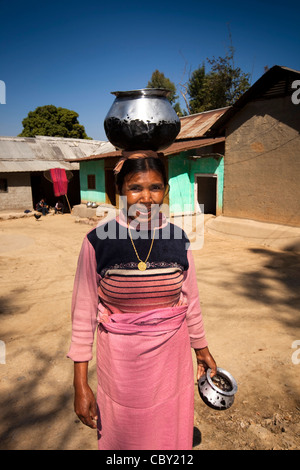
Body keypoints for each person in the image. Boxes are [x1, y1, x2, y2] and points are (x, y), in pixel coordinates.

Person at [67, 150, 217, 450]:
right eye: (136, 187)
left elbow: (191, 303)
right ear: (120, 191)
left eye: (156, 187)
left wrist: (201, 351)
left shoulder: (179, 240)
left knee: (167, 434)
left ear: (166, 190)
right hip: (121, 366)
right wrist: (80, 383)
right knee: (127, 437)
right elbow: (83, 316)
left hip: (170, 364)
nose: (147, 198)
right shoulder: (97, 241)